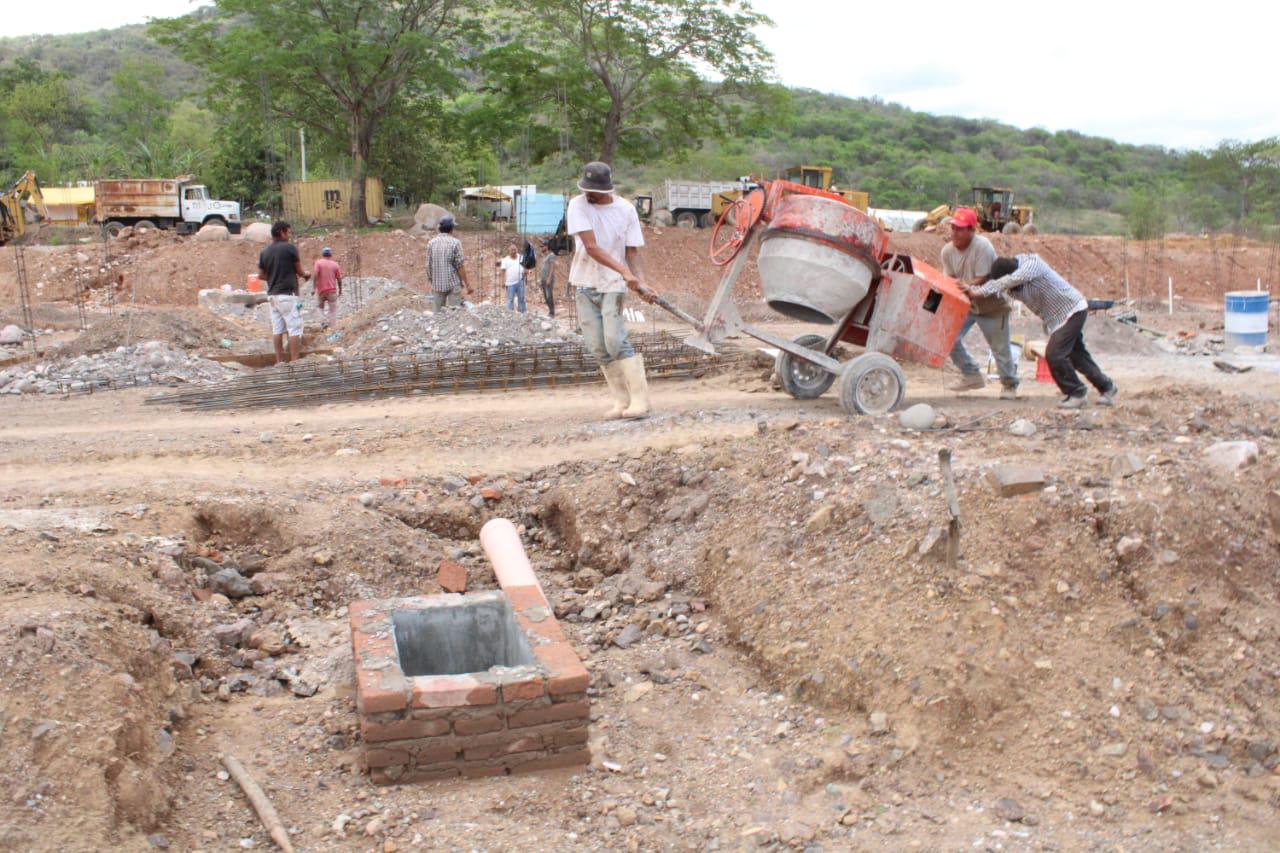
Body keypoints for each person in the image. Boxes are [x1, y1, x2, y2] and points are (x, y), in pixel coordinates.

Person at [962, 255, 1117, 409]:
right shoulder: (1008, 283)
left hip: (1072, 310)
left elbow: (1008, 281)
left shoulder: (1032, 264)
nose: (1010, 290)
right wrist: (969, 289)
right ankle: (1107, 387)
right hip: (1057, 320)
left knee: (1054, 354)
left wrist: (977, 292)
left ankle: (1076, 393)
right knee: (1077, 356)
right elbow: (996, 286)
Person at [566, 160, 651, 418]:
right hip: (584, 280)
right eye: (585, 189)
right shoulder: (577, 205)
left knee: (615, 339)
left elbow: (632, 250)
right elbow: (591, 247)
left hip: (613, 285)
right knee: (597, 345)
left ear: (607, 190)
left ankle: (640, 401)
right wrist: (624, 272)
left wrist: (641, 280)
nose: (587, 194)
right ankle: (621, 401)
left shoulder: (626, 210)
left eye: (593, 191)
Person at [943, 207, 1019, 399]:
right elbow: (949, 279)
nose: (955, 233)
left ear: (971, 230)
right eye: (953, 228)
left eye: (960, 229)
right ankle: (971, 375)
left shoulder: (982, 246)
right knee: (948, 338)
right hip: (967, 304)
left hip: (992, 305)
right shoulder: (947, 252)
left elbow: (983, 278)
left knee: (1000, 348)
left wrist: (963, 285)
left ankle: (1009, 384)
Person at [257, 221, 309, 364]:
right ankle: (294, 361)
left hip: (273, 296)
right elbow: (299, 270)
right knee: (294, 329)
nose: (289, 235)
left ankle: (280, 362)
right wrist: (305, 275)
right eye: (287, 232)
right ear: (281, 232)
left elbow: (260, 275)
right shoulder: (290, 249)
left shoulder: (265, 252)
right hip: (288, 295)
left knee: (277, 329)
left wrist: (273, 276)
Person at [426, 214, 470, 311]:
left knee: (437, 316)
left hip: (437, 285)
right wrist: (467, 285)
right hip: (453, 284)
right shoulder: (455, 243)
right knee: (454, 316)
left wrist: (432, 281)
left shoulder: (431, 243)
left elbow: (428, 266)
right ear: (451, 229)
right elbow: (460, 266)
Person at [312, 246, 342, 329]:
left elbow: (315, 275)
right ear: (330, 255)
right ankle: (332, 328)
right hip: (332, 291)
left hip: (321, 290)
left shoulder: (318, 263)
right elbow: (339, 279)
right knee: (333, 310)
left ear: (322, 254)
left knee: (319, 307)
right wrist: (340, 290)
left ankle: (324, 321)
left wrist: (313, 288)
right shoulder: (335, 265)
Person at [497, 244, 527, 313]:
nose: (514, 251)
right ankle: (510, 314)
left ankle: (522, 313)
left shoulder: (521, 257)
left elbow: (526, 266)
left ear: (517, 250)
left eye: (515, 249)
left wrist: (526, 270)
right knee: (510, 299)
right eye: (512, 250)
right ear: (509, 251)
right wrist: (502, 282)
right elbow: (503, 271)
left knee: (521, 298)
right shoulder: (505, 260)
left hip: (520, 281)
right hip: (510, 283)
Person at [537, 242, 557, 317]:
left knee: (549, 296)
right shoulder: (544, 257)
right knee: (546, 296)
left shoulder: (551, 255)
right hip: (543, 279)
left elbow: (552, 267)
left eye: (543, 246)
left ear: (547, 246)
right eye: (541, 246)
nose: (541, 248)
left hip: (548, 280)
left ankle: (552, 313)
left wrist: (549, 278)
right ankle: (550, 311)